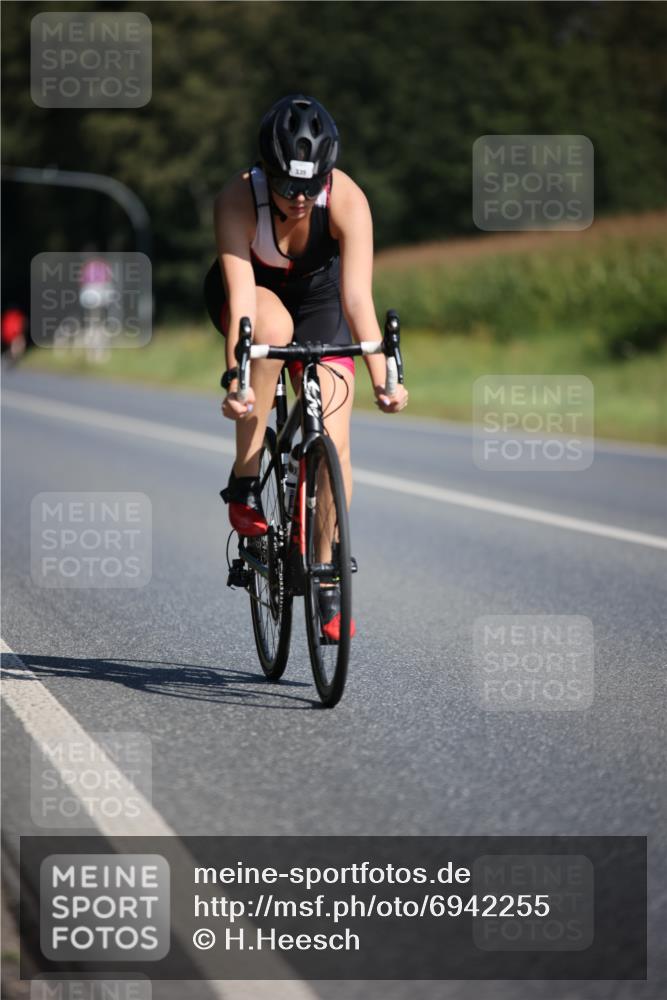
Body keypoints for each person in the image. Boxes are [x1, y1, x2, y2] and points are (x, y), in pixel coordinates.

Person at [204, 94, 409, 639]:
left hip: (321, 300)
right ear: (264, 171)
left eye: (311, 184)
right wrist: (238, 382)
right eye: (287, 185)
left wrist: (385, 379)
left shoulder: (347, 200)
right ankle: (246, 478)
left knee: (334, 443)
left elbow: (359, 301)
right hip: (257, 296)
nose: (299, 198)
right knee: (272, 332)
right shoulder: (237, 199)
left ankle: (325, 580)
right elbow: (243, 304)